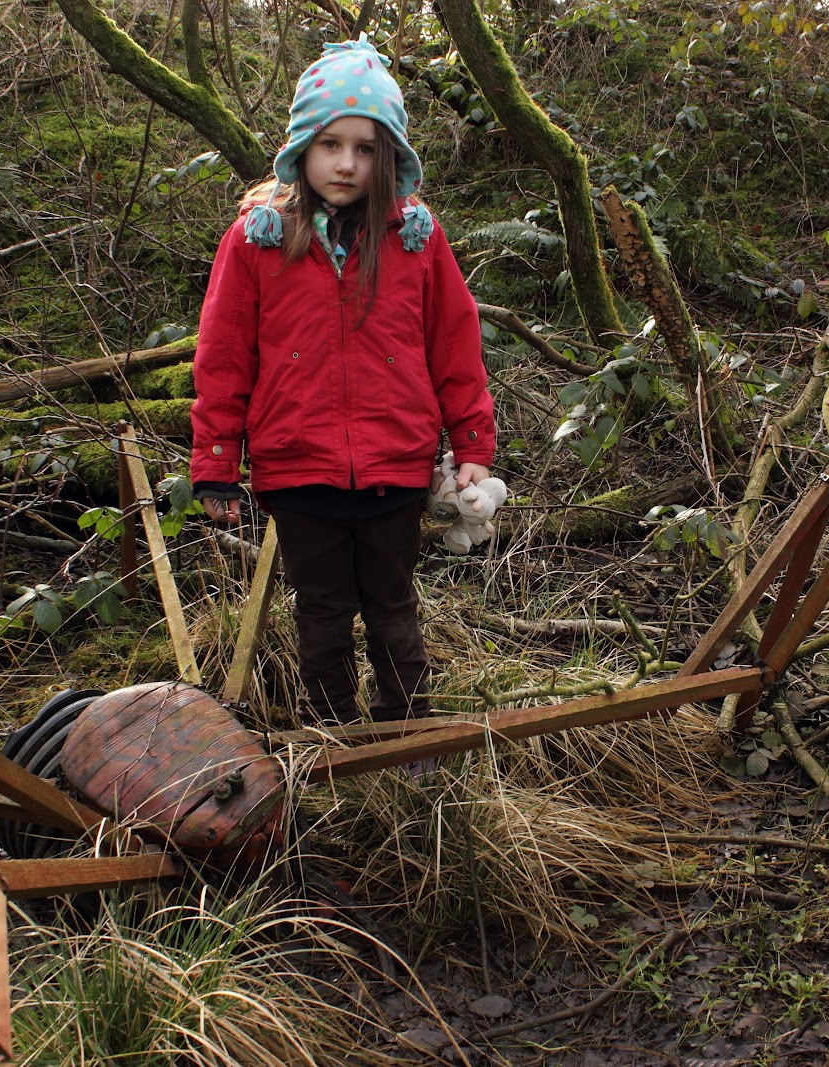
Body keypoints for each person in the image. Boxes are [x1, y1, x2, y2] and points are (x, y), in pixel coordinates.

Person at [190, 37, 496, 727]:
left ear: (388, 154)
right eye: (331, 143)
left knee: (392, 603)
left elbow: (455, 341)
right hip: (298, 469)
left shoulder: (414, 237)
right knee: (322, 609)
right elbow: (224, 353)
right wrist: (216, 460)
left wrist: (472, 441)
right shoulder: (259, 238)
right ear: (302, 144)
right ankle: (330, 737)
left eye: (365, 147)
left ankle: (407, 733)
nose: (347, 163)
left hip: (395, 464)